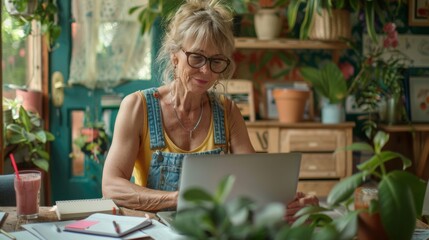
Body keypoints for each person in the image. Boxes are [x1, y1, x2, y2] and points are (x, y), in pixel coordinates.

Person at [102, 0, 318, 222]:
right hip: (156, 230)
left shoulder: (228, 112)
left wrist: (292, 204)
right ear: (174, 56)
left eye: (216, 61)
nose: (206, 70)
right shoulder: (138, 107)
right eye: (197, 57)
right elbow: (111, 186)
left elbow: (256, 187)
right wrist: (181, 198)